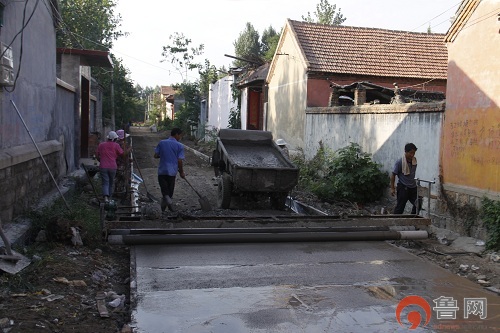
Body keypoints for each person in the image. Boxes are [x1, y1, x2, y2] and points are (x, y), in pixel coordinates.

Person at [154, 128, 185, 211]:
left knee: (164, 190)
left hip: (162, 171)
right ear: (176, 134)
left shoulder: (162, 143)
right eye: (180, 135)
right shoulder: (179, 146)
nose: (180, 137)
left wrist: (163, 155)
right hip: (172, 172)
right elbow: (179, 160)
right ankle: (171, 207)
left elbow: (156, 155)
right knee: (169, 192)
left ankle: (163, 209)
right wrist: (181, 172)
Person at [390, 143, 418, 214]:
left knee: (418, 203)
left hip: (413, 187)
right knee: (400, 208)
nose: (412, 155)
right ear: (406, 152)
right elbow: (393, 175)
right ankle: (394, 223)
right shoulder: (399, 162)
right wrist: (392, 188)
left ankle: (412, 219)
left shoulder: (414, 161)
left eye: (413, 153)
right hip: (403, 187)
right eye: (410, 153)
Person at [96, 131, 124, 202]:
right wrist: (128, 150)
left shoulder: (101, 145)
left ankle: (105, 197)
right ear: (115, 139)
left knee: (105, 182)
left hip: (103, 166)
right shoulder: (116, 145)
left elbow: (97, 155)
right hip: (113, 166)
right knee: (111, 183)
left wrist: (101, 160)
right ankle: (110, 198)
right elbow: (122, 154)